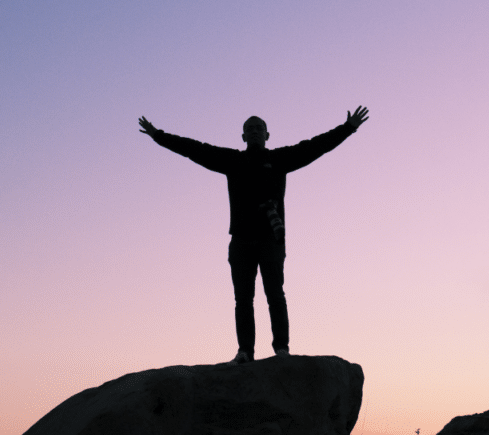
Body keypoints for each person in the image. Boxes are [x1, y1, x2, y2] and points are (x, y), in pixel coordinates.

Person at [138, 106, 369, 364]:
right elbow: (195, 149)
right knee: (243, 299)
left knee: (275, 295)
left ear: (268, 135)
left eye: (259, 128)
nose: (255, 131)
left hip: (271, 239)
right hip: (241, 241)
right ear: (243, 137)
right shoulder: (233, 161)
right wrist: (158, 135)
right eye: (250, 128)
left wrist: (347, 128)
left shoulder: (280, 159)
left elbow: (314, 147)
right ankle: (245, 352)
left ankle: (281, 349)